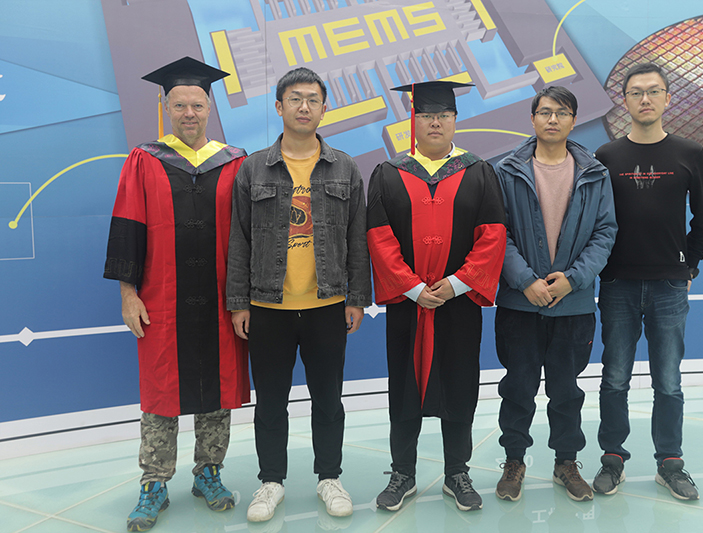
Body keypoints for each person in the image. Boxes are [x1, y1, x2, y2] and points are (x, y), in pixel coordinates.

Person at [103, 56, 250, 532]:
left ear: (209, 108)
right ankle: (154, 483)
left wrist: (244, 297)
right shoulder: (145, 160)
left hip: (222, 300)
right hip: (161, 300)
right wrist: (128, 294)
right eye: (180, 105)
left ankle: (209, 472)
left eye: (197, 105)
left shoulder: (235, 162)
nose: (189, 113)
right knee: (160, 393)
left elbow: (249, 234)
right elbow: (128, 227)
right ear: (166, 107)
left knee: (218, 391)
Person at [226, 67, 371, 522]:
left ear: (324, 108)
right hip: (268, 306)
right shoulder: (253, 168)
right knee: (271, 401)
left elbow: (358, 236)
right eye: (295, 99)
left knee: (328, 399)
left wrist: (356, 297)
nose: (303, 107)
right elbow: (238, 239)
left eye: (312, 99)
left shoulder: (345, 167)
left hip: (327, 305)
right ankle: (271, 481)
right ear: (279, 107)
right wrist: (238, 302)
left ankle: (330, 477)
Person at [367, 80, 506, 512]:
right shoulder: (389, 173)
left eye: (443, 115)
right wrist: (411, 287)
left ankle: (457, 472)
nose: (435, 122)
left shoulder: (478, 172)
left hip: (458, 303)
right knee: (403, 386)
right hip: (408, 305)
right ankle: (402, 473)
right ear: (414, 119)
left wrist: (457, 283)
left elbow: (492, 235)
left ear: (455, 120)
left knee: (460, 384)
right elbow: (378, 237)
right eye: (427, 115)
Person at [592, 62, 703, 501]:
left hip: (669, 286)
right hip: (618, 284)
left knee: (668, 381)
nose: (645, 99)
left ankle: (670, 463)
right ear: (624, 101)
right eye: (636, 92)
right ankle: (612, 459)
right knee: (614, 378)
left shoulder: (689, 152)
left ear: (667, 98)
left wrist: (688, 267)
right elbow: (595, 220)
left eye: (653, 91)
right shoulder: (607, 156)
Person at [492, 86, 617, 503]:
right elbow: (496, 233)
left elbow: (605, 232)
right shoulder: (507, 171)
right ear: (532, 118)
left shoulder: (594, 173)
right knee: (518, 388)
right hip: (520, 303)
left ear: (573, 120)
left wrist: (573, 279)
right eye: (544, 112)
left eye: (561, 113)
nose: (552, 119)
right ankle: (514, 462)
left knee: (566, 391)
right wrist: (524, 280)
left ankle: (566, 463)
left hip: (573, 305)